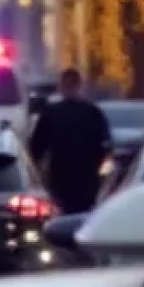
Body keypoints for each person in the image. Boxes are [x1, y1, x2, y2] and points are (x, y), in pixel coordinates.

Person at [28, 67, 113, 215]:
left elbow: (37, 148)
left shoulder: (51, 114)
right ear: (79, 85)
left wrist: (38, 173)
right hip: (87, 177)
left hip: (60, 177)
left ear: (61, 87)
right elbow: (105, 145)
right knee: (83, 214)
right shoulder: (92, 113)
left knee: (61, 213)